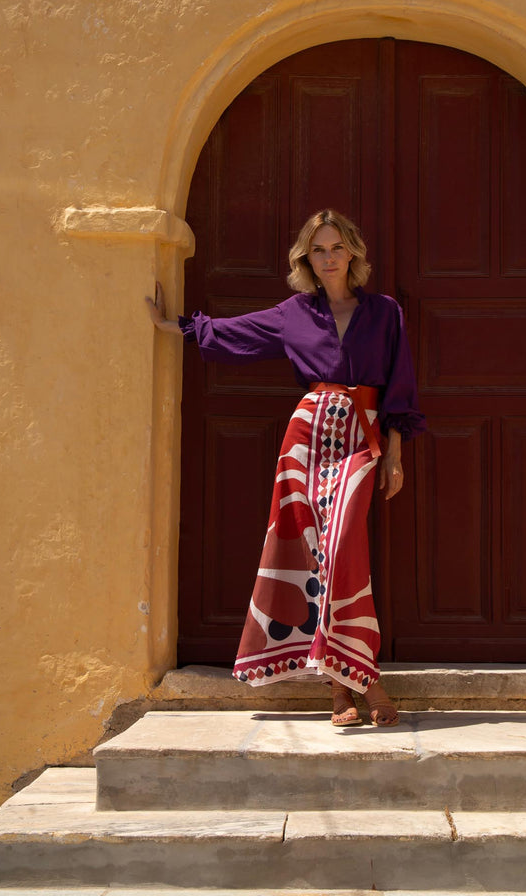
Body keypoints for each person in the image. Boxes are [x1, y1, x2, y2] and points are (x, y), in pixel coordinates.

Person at [146, 209, 425, 727]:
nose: (329, 258)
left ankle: (360, 677)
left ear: (353, 252)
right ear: (307, 260)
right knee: (310, 556)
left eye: (336, 247)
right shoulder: (294, 313)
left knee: (343, 551)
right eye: (318, 250)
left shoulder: (385, 313)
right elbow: (233, 333)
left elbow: (399, 386)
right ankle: (343, 690)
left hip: (360, 440)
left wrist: (396, 456)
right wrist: (175, 326)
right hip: (306, 438)